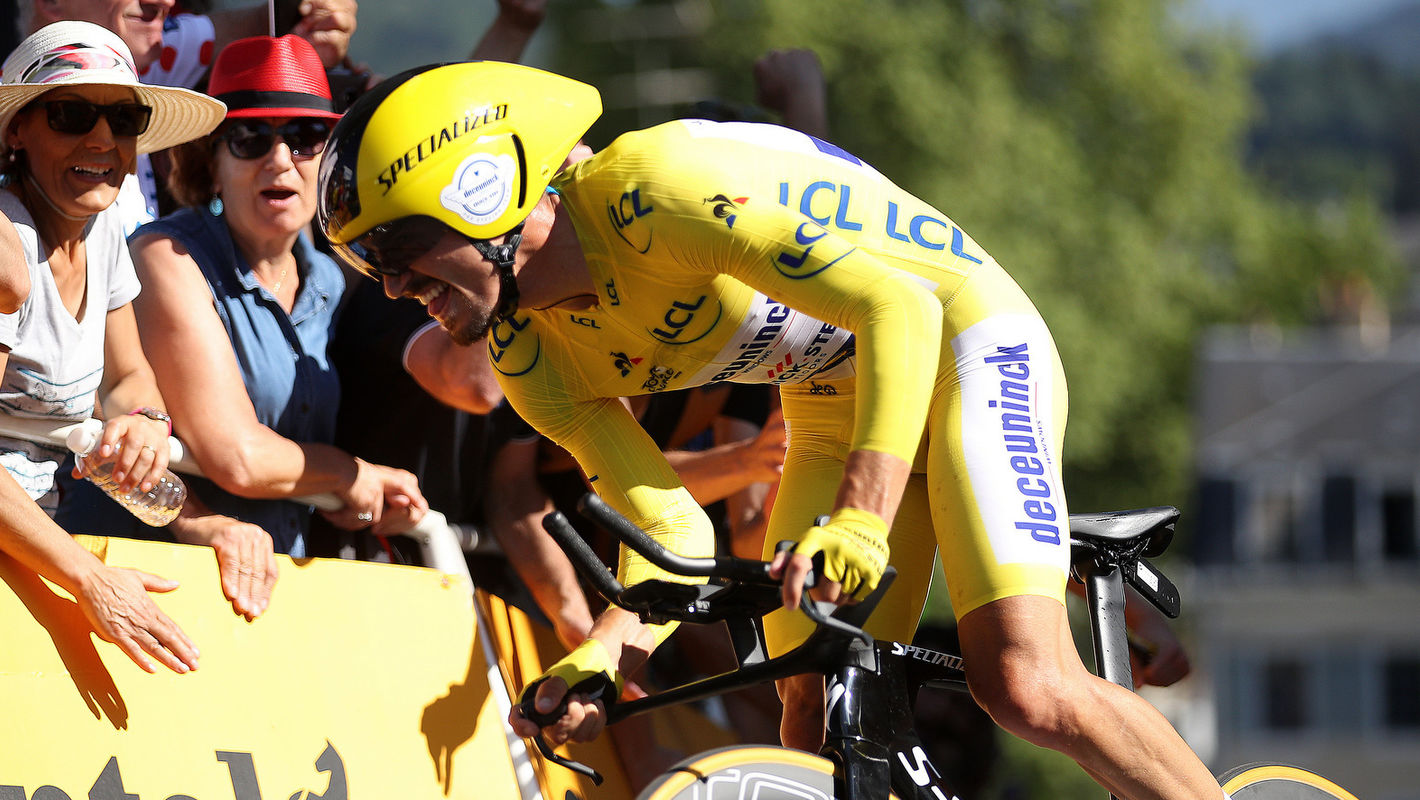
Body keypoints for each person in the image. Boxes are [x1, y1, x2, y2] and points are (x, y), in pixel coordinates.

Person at [318, 61, 1232, 800]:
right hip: (835, 398)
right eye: (367, 268)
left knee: (1026, 685)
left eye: (398, 256)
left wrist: (865, 519)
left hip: (961, 338)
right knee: (812, 710)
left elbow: (901, 310)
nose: (393, 290)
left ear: (482, 197)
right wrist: (602, 657)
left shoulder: (655, 196)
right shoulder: (528, 357)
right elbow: (672, 532)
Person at [63, 34, 425, 563]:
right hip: (143, 568)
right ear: (211, 161)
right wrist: (353, 476)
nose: (280, 160)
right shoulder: (167, 255)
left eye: (304, 137)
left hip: (270, 580)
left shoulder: (329, 276)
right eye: (252, 137)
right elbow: (236, 455)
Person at [0, 19, 223, 668]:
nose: (102, 139)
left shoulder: (100, 232)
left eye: (122, 119)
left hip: (37, 551)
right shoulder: (8, 251)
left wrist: (148, 424)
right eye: (72, 114)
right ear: (18, 132)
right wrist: (89, 579)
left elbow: (127, 379)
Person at [17, 0, 360, 230]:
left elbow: (266, 22)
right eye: (71, 116)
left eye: (127, 117)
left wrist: (317, 13)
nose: (165, 1)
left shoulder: (148, 55)